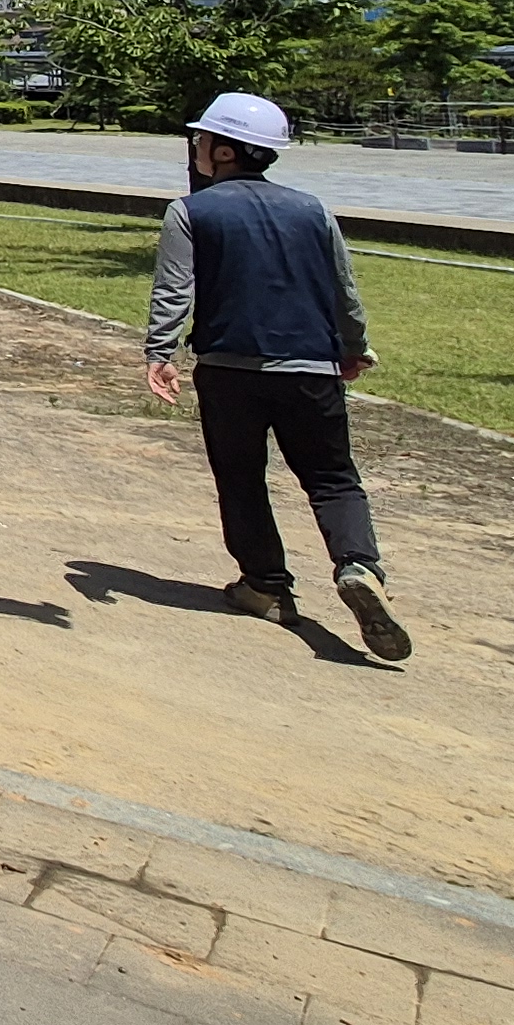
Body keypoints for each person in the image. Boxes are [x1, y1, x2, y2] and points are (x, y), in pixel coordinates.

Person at [144, 90, 409, 660]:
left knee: (242, 478)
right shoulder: (313, 209)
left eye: (202, 138)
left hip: (229, 370)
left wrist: (160, 352)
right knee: (333, 477)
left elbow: (174, 290)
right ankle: (359, 566)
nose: (196, 146)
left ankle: (265, 586)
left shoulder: (190, 211)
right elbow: (343, 290)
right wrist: (353, 348)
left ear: (224, 150)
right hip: (311, 369)